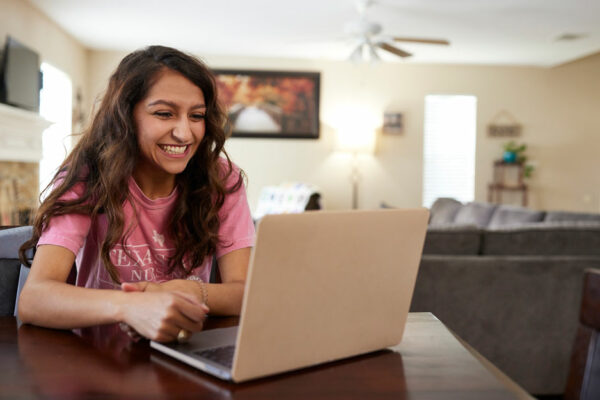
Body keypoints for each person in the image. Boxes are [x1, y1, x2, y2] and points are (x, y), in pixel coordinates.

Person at [17, 46, 255, 343]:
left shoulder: (221, 179)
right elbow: (34, 299)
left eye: (196, 116)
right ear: (126, 116)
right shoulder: (88, 178)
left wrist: (181, 291)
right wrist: (131, 306)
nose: (184, 133)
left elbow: (246, 293)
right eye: (164, 114)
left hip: (185, 354)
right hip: (98, 359)